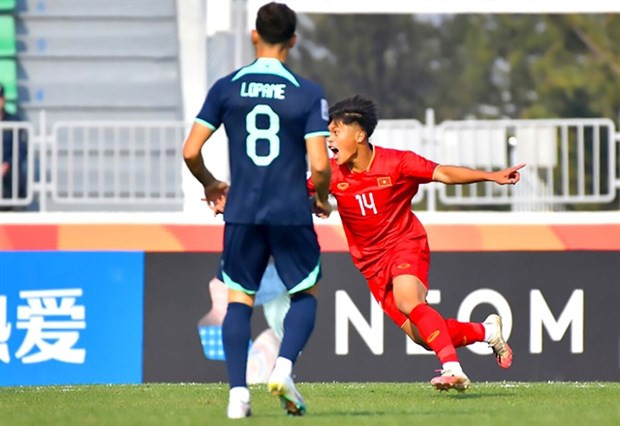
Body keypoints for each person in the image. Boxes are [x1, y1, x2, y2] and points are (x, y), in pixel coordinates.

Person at [310, 95, 522, 392]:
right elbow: (298, 195)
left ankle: (453, 369)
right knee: (422, 336)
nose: (329, 140)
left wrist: (490, 176)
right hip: (370, 264)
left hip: (405, 244)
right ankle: (486, 332)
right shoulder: (330, 173)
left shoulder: (398, 163)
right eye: (328, 132)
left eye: (335, 131)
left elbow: (443, 173)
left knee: (408, 300)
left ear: (359, 135)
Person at [182, 2, 331, 419]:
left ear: (254, 35)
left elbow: (191, 150)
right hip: (289, 211)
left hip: (243, 211)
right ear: (294, 41)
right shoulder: (307, 92)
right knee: (305, 292)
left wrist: (211, 184)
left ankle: (237, 397)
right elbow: (320, 164)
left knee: (239, 301)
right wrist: (321, 197)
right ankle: (283, 368)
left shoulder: (227, 87)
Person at [1, 83, 27, 207]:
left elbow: (21, 149)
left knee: (16, 174)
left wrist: (7, 164)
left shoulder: (14, 120)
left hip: (9, 172)